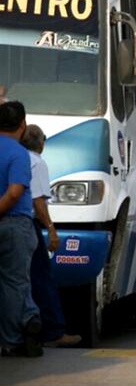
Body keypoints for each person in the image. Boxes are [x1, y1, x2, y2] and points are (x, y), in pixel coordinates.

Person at [22, 125, 79, 347]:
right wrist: (51, 229)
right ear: (41, 142)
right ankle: (53, 331)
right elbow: (38, 202)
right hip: (28, 224)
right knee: (42, 277)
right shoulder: (37, 162)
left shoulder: (15, 156)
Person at [0, 102, 43, 357]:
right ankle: (13, 338)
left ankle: (30, 318)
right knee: (15, 283)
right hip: (15, 224)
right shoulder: (19, 154)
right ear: (23, 125)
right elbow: (15, 191)